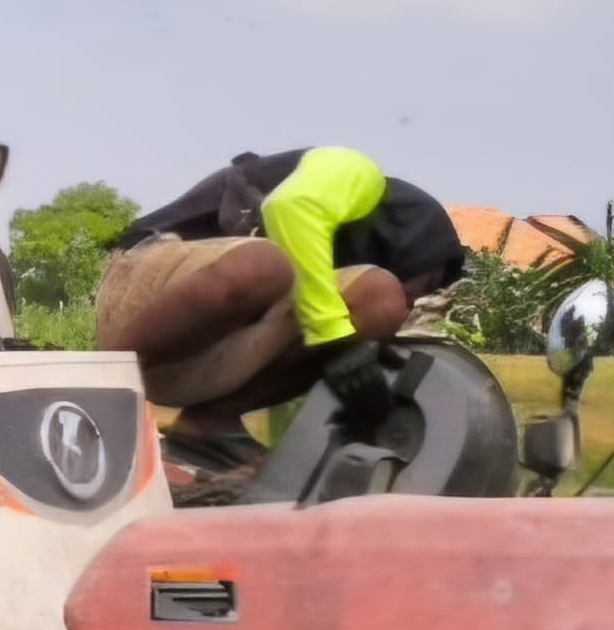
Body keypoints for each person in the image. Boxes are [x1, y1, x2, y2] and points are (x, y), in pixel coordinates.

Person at [98, 146, 468, 493]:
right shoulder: (355, 171)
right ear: (418, 238)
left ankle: (210, 422)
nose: (414, 298)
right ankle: (91, 384)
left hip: (202, 358)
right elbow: (288, 207)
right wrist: (337, 340)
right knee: (267, 266)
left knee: (377, 302)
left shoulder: (334, 277)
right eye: (427, 281)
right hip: (144, 296)